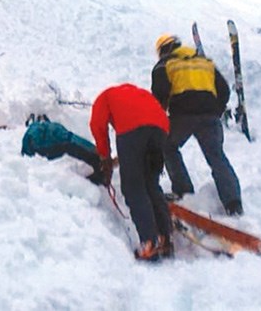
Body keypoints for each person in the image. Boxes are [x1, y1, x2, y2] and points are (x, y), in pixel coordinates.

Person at [151, 34, 243, 216]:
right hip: (210, 116)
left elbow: (159, 98)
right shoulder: (205, 63)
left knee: (168, 147)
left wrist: (159, 121)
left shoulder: (164, 65)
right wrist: (214, 111)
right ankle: (233, 203)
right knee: (217, 156)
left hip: (182, 116)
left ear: (162, 50)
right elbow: (224, 90)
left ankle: (183, 191)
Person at [90, 83, 172, 262]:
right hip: (161, 127)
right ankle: (165, 238)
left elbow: (98, 127)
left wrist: (105, 159)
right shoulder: (134, 94)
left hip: (131, 128)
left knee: (133, 187)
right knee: (151, 184)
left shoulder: (103, 98)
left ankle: (148, 242)